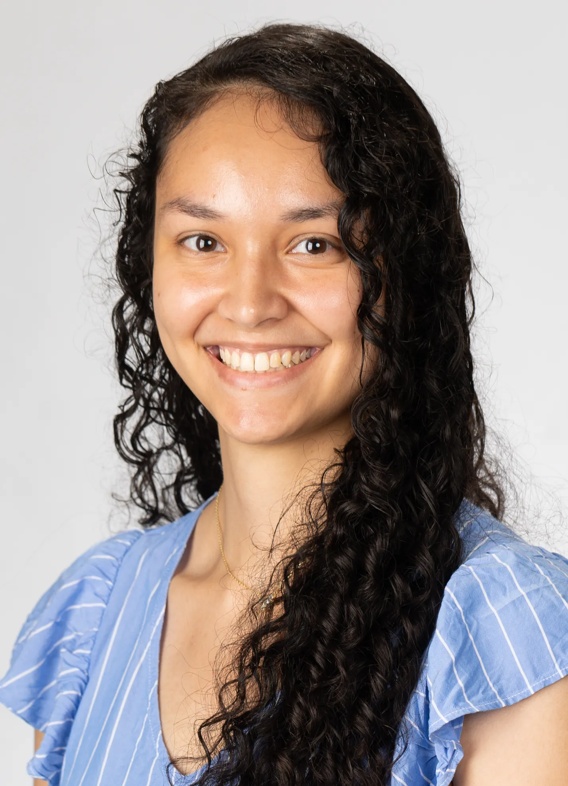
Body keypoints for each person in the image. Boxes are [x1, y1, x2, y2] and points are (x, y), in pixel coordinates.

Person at [1, 22, 567, 786]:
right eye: (203, 241)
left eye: (314, 245)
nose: (249, 302)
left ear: (406, 272)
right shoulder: (97, 608)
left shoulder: (503, 622)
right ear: (149, 262)